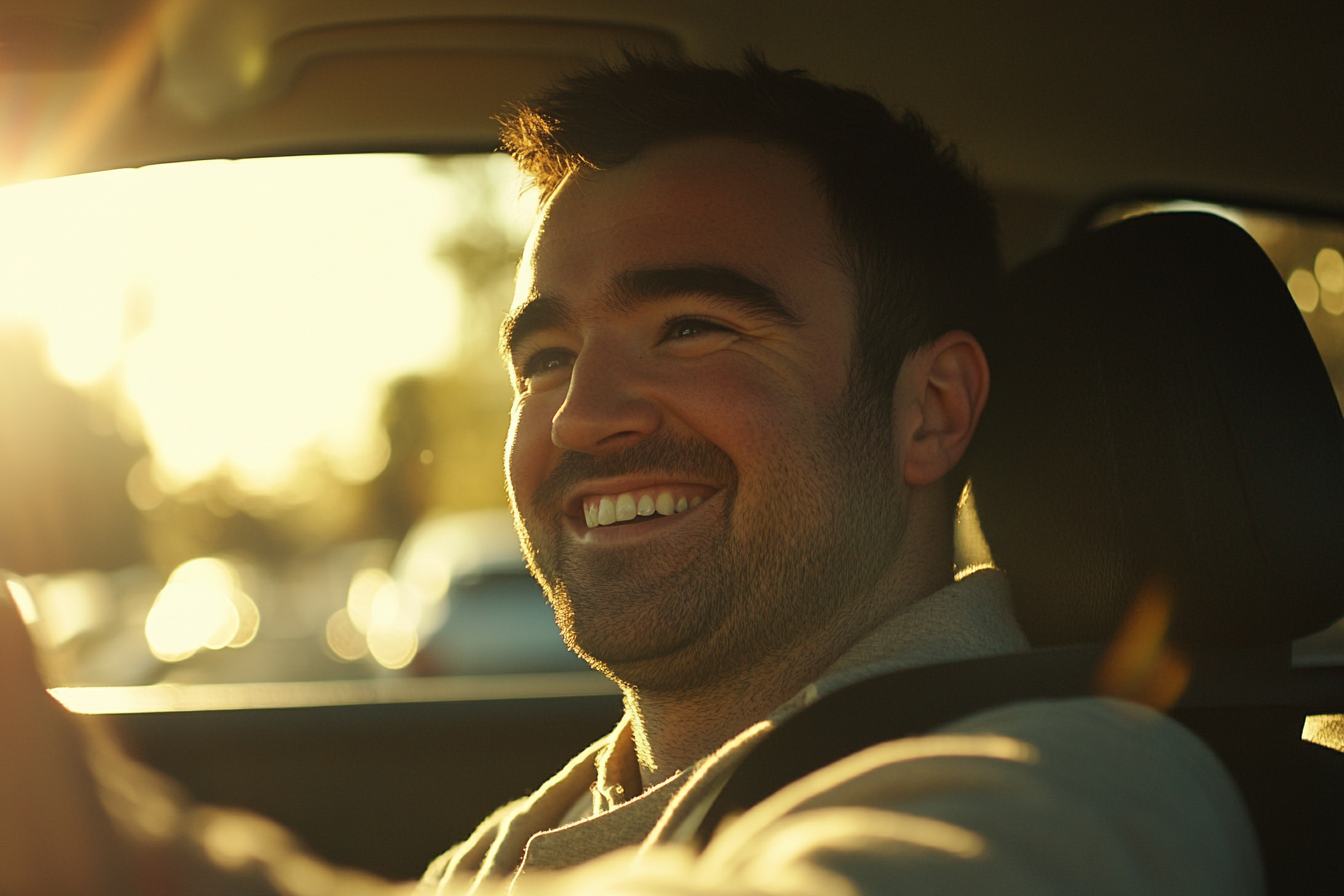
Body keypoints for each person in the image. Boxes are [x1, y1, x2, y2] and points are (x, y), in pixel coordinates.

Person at [0, 55, 1261, 896]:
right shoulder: (509, 846)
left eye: (694, 327)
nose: (582, 416)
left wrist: (122, 849)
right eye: (545, 357)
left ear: (930, 411)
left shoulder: (1092, 786)